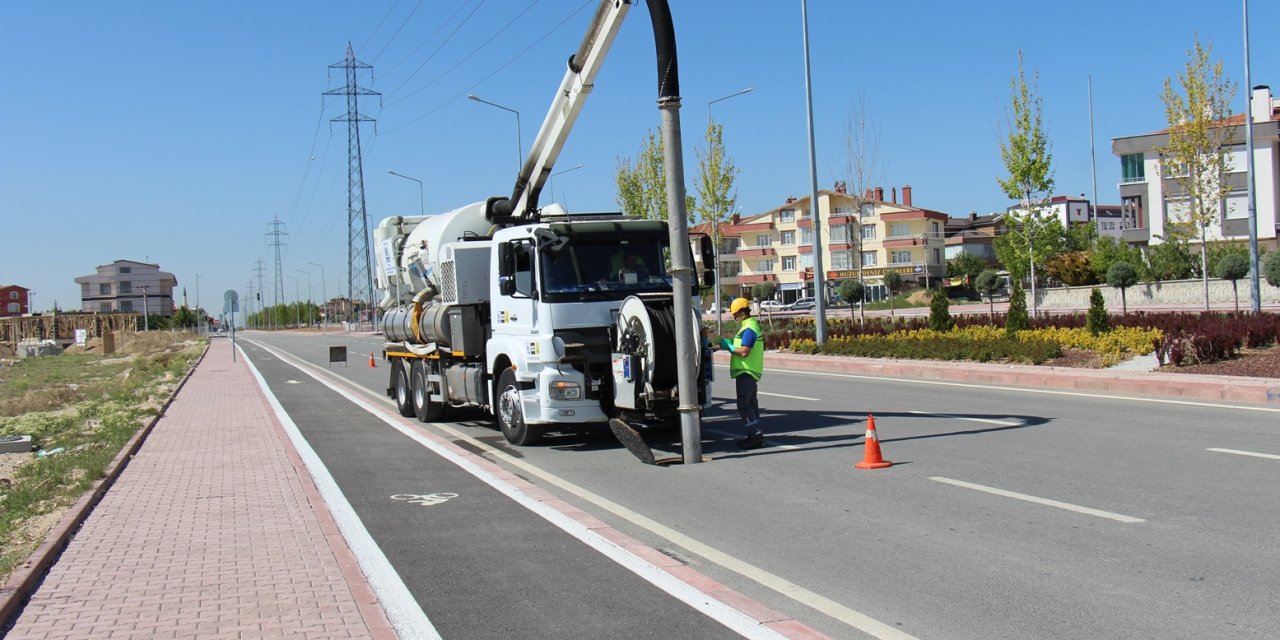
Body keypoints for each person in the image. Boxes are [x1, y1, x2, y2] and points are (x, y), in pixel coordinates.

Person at [719, 297, 766, 450]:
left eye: (735, 314)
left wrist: (729, 347)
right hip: (749, 371)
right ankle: (756, 435)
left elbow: (744, 352)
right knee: (751, 405)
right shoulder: (749, 326)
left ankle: (755, 437)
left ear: (742, 312)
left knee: (744, 405)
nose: (734, 317)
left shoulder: (749, 329)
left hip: (746, 371)